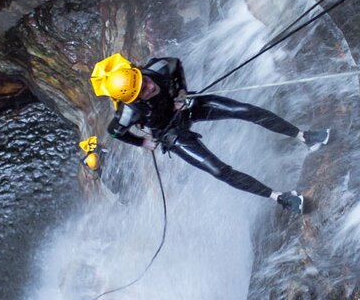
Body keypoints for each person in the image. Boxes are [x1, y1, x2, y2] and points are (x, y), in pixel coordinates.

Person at [90, 53, 330, 214]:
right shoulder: (128, 113)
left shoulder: (158, 69)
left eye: (144, 80)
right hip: (169, 132)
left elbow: (176, 64)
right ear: (133, 99)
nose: (150, 87)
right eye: (142, 91)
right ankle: (280, 197)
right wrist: (143, 141)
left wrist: (182, 92)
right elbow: (114, 133)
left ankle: (305, 136)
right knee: (218, 169)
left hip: (186, 106)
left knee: (246, 111)